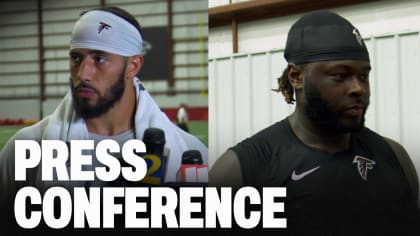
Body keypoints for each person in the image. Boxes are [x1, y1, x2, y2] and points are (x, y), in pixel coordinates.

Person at [209, 10, 420, 234]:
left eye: (363, 76)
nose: (358, 88)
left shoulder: (395, 158)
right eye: (340, 76)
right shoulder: (240, 171)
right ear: (296, 77)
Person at [0, 6, 208, 230]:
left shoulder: (190, 154)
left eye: (99, 59)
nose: (83, 74)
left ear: (133, 66)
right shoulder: (26, 149)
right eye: (76, 58)